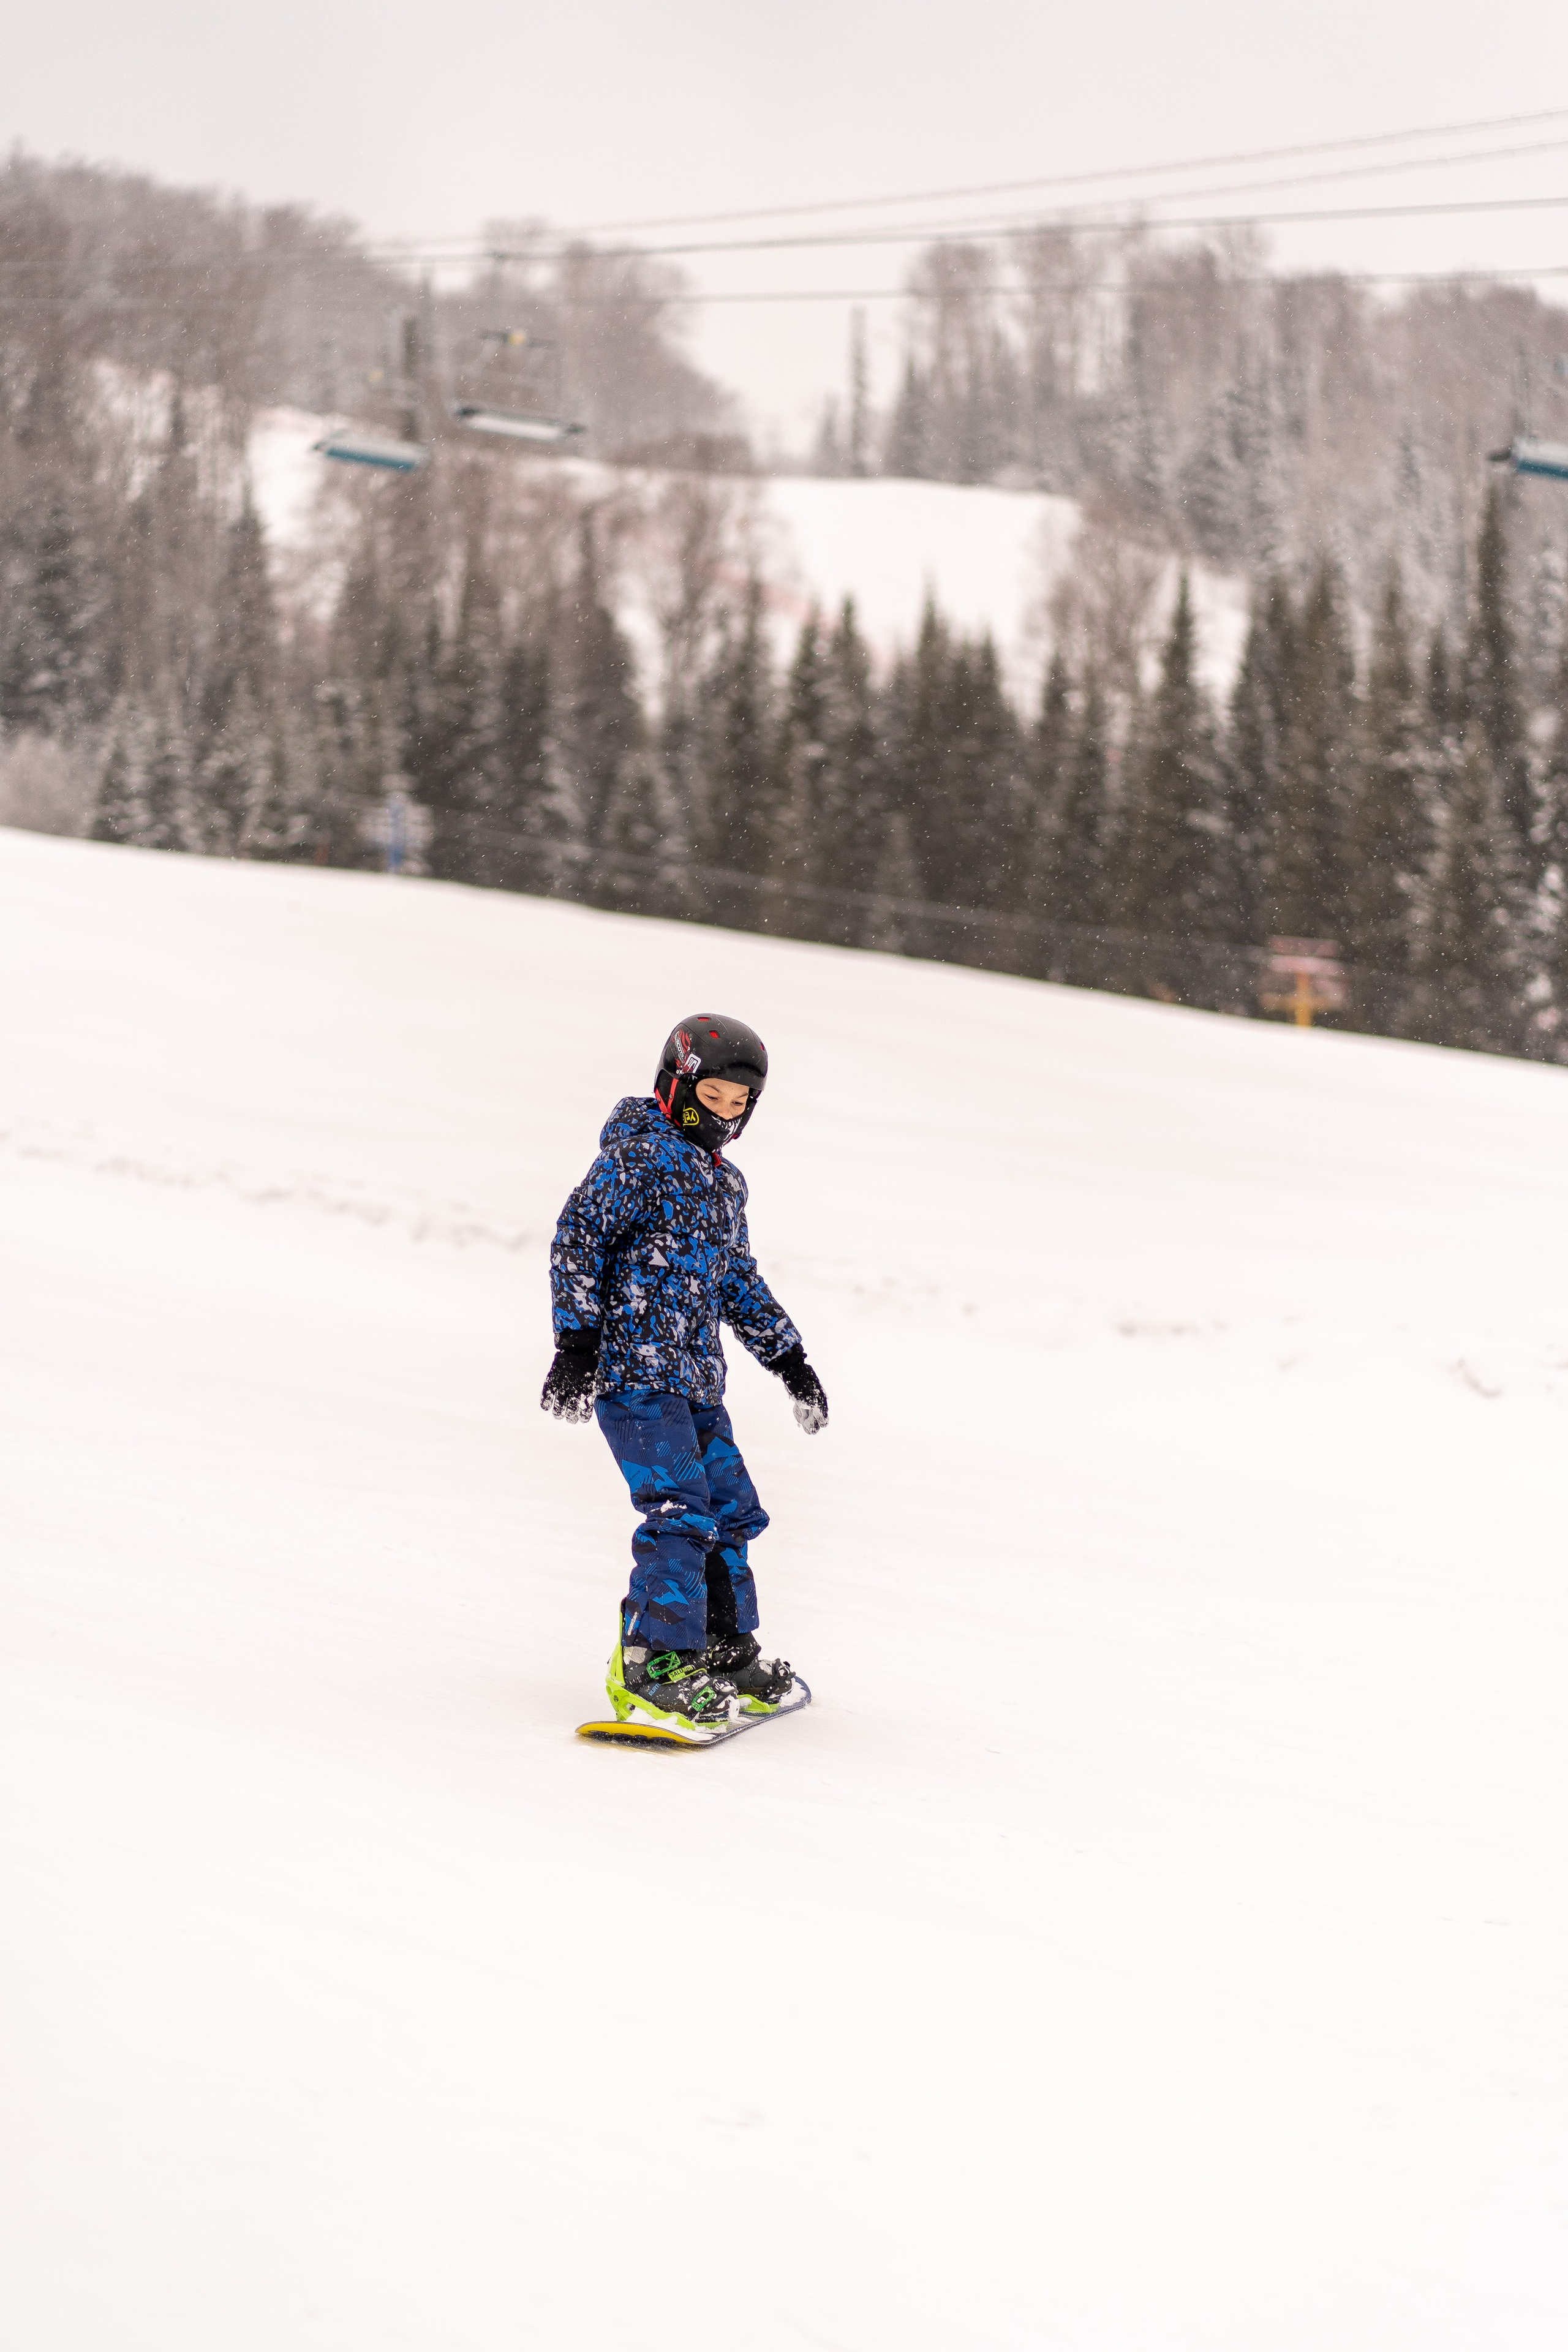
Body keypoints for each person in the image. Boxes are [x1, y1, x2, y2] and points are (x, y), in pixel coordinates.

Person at [541, 1014, 828, 1735]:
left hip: (698, 1381)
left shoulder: (723, 1187)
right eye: (717, 1095)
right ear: (678, 1082)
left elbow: (737, 1281)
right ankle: (653, 1665)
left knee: (731, 1512)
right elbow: (577, 1246)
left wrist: (789, 1359)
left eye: (742, 1104)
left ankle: (723, 1651)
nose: (726, 1115)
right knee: (679, 1514)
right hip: (635, 1379)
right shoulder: (635, 1161)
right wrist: (575, 1346)